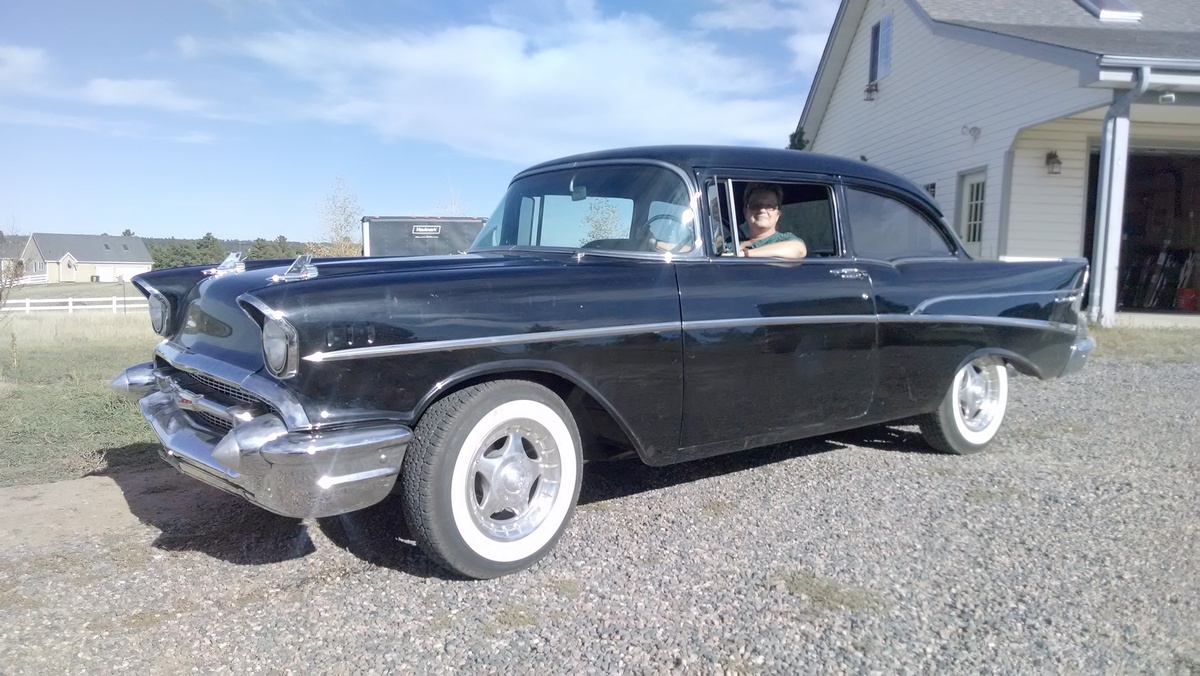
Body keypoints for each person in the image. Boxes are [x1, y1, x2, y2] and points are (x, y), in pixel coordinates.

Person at [737, 183, 807, 259]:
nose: (762, 210)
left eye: (770, 206)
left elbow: (799, 250)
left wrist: (745, 253)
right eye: (755, 205)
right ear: (745, 212)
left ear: (778, 214)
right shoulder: (731, 244)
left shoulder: (784, 239)